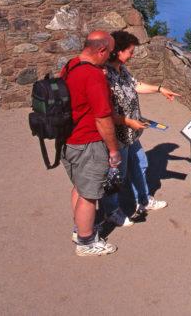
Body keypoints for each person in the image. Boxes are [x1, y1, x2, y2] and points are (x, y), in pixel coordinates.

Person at [103, 30, 180, 224]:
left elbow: (136, 86)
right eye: (129, 51)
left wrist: (160, 89)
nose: (132, 54)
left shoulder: (122, 69)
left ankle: (143, 200)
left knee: (140, 165)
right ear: (117, 51)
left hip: (131, 133)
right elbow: (105, 114)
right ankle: (112, 211)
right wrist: (128, 121)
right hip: (118, 135)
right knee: (117, 175)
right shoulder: (104, 75)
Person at [61, 30, 120, 257]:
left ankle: (80, 229)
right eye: (110, 52)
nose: (110, 56)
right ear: (101, 50)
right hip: (88, 141)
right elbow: (102, 117)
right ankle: (86, 242)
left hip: (69, 139)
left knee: (79, 186)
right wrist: (113, 150)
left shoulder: (71, 65)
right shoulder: (93, 75)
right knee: (90, 195)